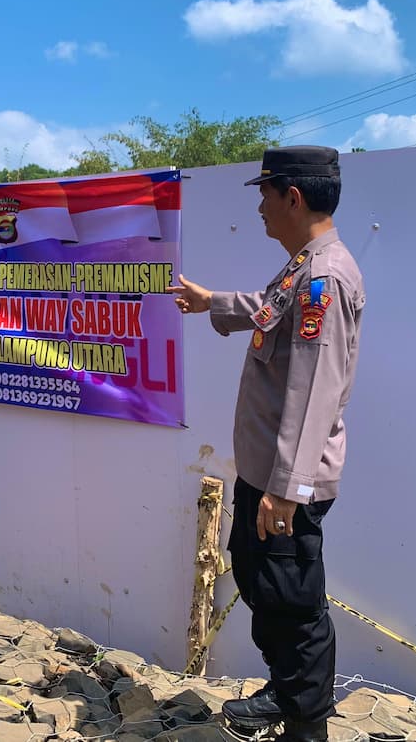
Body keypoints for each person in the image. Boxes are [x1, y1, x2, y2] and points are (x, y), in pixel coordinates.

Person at [168, 147, 365, 742]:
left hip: (287, 482)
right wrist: (213, 305)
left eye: (266, 193)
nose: (259, 206)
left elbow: (312, 391)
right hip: (267, 474)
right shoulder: (305, 266)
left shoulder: (325, 277)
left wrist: (287, 489)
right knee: (262, 581)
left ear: (293, 197)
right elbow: (268, 309)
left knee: (293, 602)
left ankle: (307, 725)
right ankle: (286, 687)